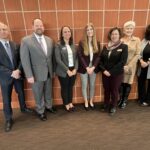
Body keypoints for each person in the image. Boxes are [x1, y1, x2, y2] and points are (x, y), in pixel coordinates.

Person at [20, 18, 55, 121]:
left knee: (48, 91)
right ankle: (40, 111)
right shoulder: (26, 40)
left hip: (48, 72)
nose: (39, 27)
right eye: (37, 25)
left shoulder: (49, 40)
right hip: (35, 74)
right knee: (38, 93)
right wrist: (29, 75)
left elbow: (51, 58)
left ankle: (49, 107)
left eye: (41, 25)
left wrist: (52, 71)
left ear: (43, 27)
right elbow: (24, 59)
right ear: (33, 27)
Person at [0, 22, 32, 132]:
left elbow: (21, 59)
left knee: (21, 92)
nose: (3, 31)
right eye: (1, 29)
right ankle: (8, 119)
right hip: (5, 77)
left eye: (4, 29)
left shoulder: (14, 44)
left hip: (18, 74)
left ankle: (23, 108)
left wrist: (18, 70)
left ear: (8, 31)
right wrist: (11, 72)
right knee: (6, 98)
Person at [99, 27, 128, 115]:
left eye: (116, 34)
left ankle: (113, 106)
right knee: (106, 90)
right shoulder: (106, 47)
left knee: (114, 90)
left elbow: (122, 62)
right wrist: (104, 70)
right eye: (112, 34)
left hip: (116, 74)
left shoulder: (123, 47)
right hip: (105, 73)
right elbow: (101, 60)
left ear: (119, 35)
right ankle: (106, 104)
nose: (114, 36)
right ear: (110, 35)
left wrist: (110, 72)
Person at [77, 23, 101, 111]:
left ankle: (91, 101)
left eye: (91, 29)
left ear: (93, 31)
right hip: (84, 67)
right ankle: (86, 101)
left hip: (93, 67)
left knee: (92, 85)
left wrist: (93, 67)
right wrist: (87, 67)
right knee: (84, 85)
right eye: (88, 30)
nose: (89, 31)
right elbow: (80, 56)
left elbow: (98, 56)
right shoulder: (82, 43)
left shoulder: (97, 43)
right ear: (85, 32)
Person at [118, 21, 141, 109]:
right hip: (121, 66)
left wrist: (129, 65)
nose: (129, 30)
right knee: (121, 83)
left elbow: (138, 54)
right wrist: (122, 65)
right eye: (127, 28)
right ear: (124, 30)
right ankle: (120, 99)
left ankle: (124, 100)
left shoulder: (137, 40)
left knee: (128, 83)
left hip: (131, 66)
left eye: (131, 28)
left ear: (133, 30)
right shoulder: (120, 40)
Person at [55, 26, 78, 112]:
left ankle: (70, 102)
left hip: (73, 69)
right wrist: (67, 70)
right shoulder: (58, 45)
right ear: (62, 34)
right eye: (65, 32)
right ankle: (66, 104)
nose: (67, 33)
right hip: (63, 70)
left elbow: (76, 58)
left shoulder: (73, 45)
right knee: (65, 87)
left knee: (70, 87)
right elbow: (58, 60)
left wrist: (75, 69)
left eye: (68, 31)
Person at [137, 24, 150, 106]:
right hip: (142, 65)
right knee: (141, 82)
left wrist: (148, 62)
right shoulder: (144, 40)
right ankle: (142, 99)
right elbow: (138, 52)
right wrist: (141, 61)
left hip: (148, 64)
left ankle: (148, 100)